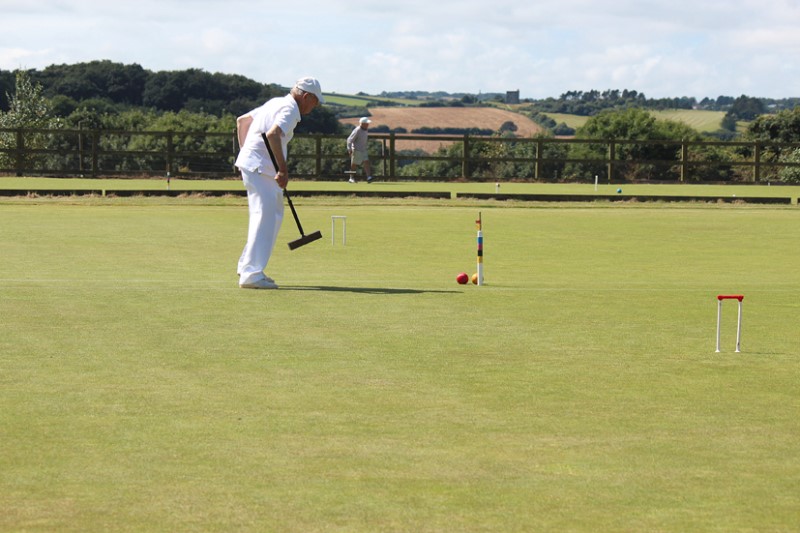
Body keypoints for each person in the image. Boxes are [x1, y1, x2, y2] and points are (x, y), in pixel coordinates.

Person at [234, 77, 324, 289]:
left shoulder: (275, 102)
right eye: (315, 102)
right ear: (306, 97)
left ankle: (248, 266)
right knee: (265, 217)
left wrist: (246, 152)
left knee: (269, 216)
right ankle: (251, 274)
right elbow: (273, 134)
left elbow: (242, 121)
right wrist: (282, 169)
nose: (315, 107)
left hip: (255, 165)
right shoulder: (290, 109)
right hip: (262, 168)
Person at [346, 117, 373, 183]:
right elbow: (349, 140)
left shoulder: (365, 129)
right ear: (362, 124)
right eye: (366, 123)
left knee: (366, 162)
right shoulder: (357, 130)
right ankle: (351, 178)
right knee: (354, 164)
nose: (368, 124)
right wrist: (349, 149)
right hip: (357, 149)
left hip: (363, 149)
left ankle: (369, 177)